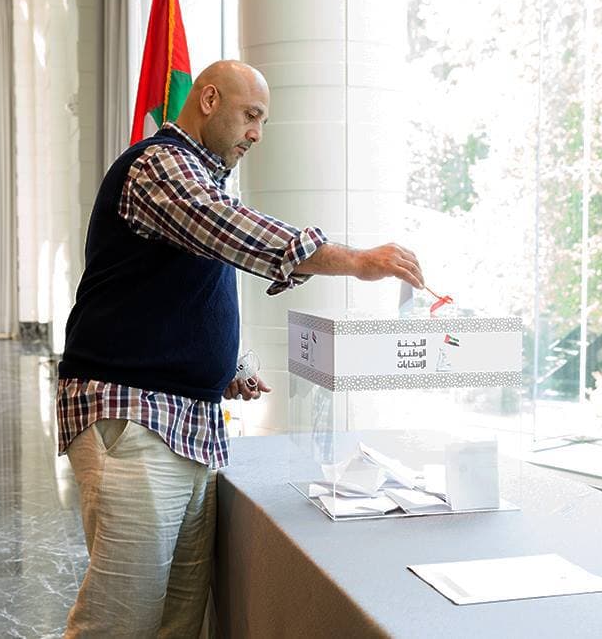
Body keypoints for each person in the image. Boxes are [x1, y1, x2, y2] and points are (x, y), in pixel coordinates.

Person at [55, 60, 424, 638]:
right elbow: (228, 229)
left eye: (263, 121)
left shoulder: (200, 177)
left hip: (185, 423)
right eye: (250, 115)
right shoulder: (160, 166)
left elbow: (176, 291)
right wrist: (354, 261)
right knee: (119, 622)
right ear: (207, 100)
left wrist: (226, 364)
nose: (256, 133)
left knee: (177, 619)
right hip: (135, 418)